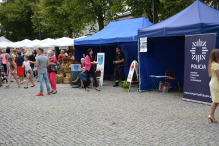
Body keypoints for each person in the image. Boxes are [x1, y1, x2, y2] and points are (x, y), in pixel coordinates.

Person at [208, 49, 219, 123]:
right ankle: (211, 115)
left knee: (215, 101)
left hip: (214, 83)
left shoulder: (212, 63)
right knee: (215, 101)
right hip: (216, 84)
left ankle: (211, 115)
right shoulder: (216, 65)